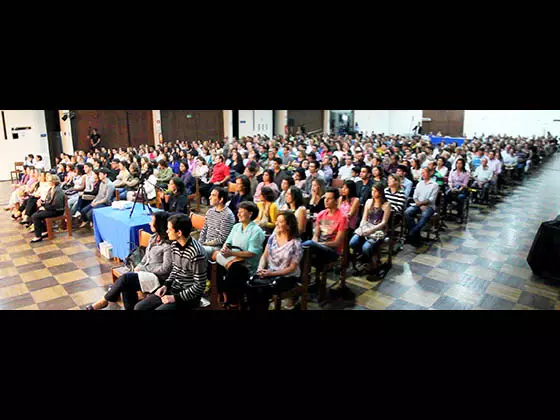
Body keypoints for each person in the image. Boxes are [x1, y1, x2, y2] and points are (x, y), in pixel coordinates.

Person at [86, 211, 173, 310]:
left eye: (152, 221)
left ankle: (104, 300)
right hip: (146, 273)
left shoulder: (168, 245)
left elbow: (166, 268)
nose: (149, 223)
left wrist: (146, 268)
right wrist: (140, 266)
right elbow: (146, 256)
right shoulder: (153, 238)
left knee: (126, 279)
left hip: (158, 278)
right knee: (126, 284)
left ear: (159, 224)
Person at [135, 214, 207, 310]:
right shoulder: (174, 245)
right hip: (174, 289)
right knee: (139, 307)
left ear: (179, 233)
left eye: (169, 229)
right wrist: (165, 285)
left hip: (189, 297)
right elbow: (175, 270)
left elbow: (200, 285)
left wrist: (175, 298)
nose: (166, 231)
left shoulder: (196, 253)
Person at [246, 212, 304, 311]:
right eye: (276, 221)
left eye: (280, 221)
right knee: (250, 283)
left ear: (289, 225)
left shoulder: (295, 243)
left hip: (287, 277)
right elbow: (265, 255)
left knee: (262, 289)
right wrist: (260, 268)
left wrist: (271, 273)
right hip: (270, 272)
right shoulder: (273, 236)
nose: (276, 223)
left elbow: (291, 268)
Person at [217, 201, 265, 309]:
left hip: (247, 265)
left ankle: (232, 300)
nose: (238, 214)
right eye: (238, 212)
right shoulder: (237, 227)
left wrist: (231, 253)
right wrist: (226, 247)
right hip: (232, 260)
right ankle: (223, 294)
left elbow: (252, 253)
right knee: (215, 265)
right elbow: (228, 242)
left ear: (250, 214)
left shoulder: (256, 231)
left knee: (235, 269)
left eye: (242, 212)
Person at [349, 183, 391, 274]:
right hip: (366, 226)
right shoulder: (369, 201)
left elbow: (384, 222)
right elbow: (364, 218)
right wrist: (362, 228)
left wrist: (371, 230)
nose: (373, 193)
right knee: (353, 242)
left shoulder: (386, 205)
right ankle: (364, 258)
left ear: (380, 193)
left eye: (375, 191)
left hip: (378, 229)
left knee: (366, 248)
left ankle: (368, 261)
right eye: (372, 190)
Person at [302, 187, 348, 268]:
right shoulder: (321, 214)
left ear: (336, 201)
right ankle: (303, 277)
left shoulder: (342, 217)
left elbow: (337, 242)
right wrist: (316, 242)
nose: (325, 201)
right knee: (305, 252)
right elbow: (316, 235)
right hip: (319, 246)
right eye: (325, 198)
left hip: (332, 250)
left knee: (308, 246)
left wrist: (318, 244)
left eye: (329, 199)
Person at [405, 167, 439, 247]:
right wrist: (418, 203)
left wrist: (422, 204)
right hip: (418, 204)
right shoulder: (419, 183)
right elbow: (415, 196)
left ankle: (412, 233)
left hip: (429, 206)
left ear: (430, 173)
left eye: (425, 172)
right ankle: (415, 236)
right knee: (407, 212)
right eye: (422, 173)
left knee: (424, 216)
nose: (423, 174)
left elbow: (431, 199)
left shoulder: (434, 185)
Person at [199, 187, 236, 259]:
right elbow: (204, 230)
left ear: (221, 199)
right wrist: (200, 243)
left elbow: (222, 239)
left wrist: (205, 244)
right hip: (206, 244)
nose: (209, 198)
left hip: (217, 247)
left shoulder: (227, 215)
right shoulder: (210, 211)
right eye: (210, 195)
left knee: (198, 251)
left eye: (213, 195)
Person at [30, 175, 65, 243]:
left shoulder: (58, 191)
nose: (48, 182)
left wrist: (44, 206)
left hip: (57, 211)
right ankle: (44, 231)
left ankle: (38, 236)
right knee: (37, 213)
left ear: (54, 182)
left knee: (35, 216)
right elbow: (48, 201)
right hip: (51, 209)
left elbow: (56, 205)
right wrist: (42, 203)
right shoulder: (51, 189)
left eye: (49, 181)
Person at [447, 157, 469, 223]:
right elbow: (450, 181)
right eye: (457, 163)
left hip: (462, 189)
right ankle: (446, 211)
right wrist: (451, 188)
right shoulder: (452, 171)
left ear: (463, 165)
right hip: (453, 187)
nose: (459, 165)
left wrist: (459, 189)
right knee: (446, 193)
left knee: (460, 197)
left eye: (460, 164)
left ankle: (459, 215)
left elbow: (464, 184)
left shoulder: (466, 173)